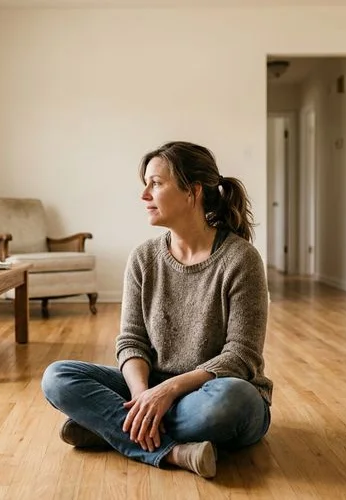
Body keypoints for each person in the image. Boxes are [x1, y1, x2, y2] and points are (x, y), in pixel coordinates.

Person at [41, 141, 272, 479]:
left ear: (192, 192)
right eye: (145, 183)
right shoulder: (144, 258)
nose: (144, 194)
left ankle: (110, 428)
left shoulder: (241, 259)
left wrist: (167, 392)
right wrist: (143, 396)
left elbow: (241, 357)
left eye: (156, 183)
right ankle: (174, 451)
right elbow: (131, 340)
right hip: (151, 385)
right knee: (57, 377)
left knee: (231, 401)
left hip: (212, 393)